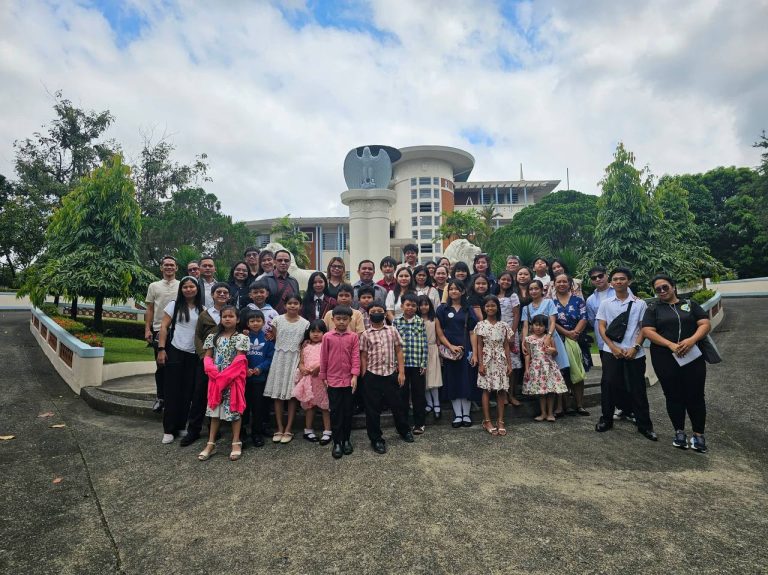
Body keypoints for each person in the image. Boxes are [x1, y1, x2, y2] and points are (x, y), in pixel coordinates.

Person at [641, 274, 711, 452]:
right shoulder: (653, 309)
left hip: (692, 356)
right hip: (665, 358)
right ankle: (679, 432)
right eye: (658, 289)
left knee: (696, 395)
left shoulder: (690, 304)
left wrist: (692, 340)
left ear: (673, 287)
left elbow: (704, 324)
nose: (662, 291)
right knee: (673, 395)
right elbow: (647, 331)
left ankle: (698, 434)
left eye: (665, 287)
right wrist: (670, 344)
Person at [595, 267, 657, 441]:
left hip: (634, 352)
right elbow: (601, 326)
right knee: (608, 385)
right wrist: (612, 347)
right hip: (611, 352)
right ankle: (606, 419)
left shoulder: (639, 303)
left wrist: (635, 347)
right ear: (611, 282)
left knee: (638, 388)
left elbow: (643, 328)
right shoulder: (606, 303)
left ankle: (645, 425)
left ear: (629, 281)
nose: (618, 282)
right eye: (615, 279)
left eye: (622, 279)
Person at [180, 282, 232, 447]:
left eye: (225, 292)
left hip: (226, 363)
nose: (222, 294)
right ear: (212, 295)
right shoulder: (205, 314)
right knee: (200, 394)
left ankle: (214, 430)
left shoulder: (232, 313)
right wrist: (204, 357)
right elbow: (197, 336)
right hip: (206, 361)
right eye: (218, 292)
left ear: (229, 296)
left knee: (222, 394)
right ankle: (193, 430)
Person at [359, 302, 415, 454]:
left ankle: (404, 430)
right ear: (369, 314)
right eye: (373, 311)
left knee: (398, 406)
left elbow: (399, 351)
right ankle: (376, 439)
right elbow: (363, 355)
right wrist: (364, 374)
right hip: (372, 375)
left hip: (390, 374)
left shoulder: (392, 330)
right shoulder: (365, 334)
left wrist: (401, 372)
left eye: (379, 311)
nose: (376, 313)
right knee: (372, 410)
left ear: (384, 313)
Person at [197, 305, 249, 461]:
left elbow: (240, 360)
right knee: (214, 412)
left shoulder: (241, 338)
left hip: (233, 380)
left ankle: (236, 442)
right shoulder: (213, 337)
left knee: (234, 412)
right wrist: (214, 373)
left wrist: (225, 377)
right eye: (224, 316)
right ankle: (210, 443)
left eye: (231, 316)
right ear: (220, 319)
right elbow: (208, 357)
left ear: (237, 319)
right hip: (215, 380)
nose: (227, 319)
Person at [156, 276, 202, 444]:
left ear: (197, 289)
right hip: (175, 350)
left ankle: (181, 425)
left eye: (192, 287)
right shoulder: (174, 305)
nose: (188, 289)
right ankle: (168, 429)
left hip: (193, 354)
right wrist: (161, 349)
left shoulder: (202, 309)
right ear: (181, 289)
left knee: (187, 391)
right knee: (172, 391)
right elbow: (164, 326)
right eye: (185, 287)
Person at [586, 265, 632, 421]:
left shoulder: (621, 289)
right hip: (604, 343)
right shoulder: (591, 300)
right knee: (610, 378)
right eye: (594, 278)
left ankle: (630, 408)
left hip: (626, 342)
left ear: (606, 276)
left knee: (627, 377)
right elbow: (593, 320)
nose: (598, 279)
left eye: (600, 276)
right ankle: (618, 407)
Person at [264, 294, 309, 444]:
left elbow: (303, 344)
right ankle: (279, 427)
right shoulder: (277, 321)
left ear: (300, 306)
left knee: (291, 396)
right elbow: (275, 338)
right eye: (290, 303)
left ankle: (289, 428)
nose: (293, 306)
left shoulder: (305, 323)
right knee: (277, 395)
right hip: (279, 359)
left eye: (296, 303)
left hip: (294, 360)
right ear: (285, 305)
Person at [435, 279, 479, 428]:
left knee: (466, 381)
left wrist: (475, 353)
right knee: (453, 381)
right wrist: (450, 346)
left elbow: (473, 332)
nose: (454, 291)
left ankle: (466, 414)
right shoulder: (442, 309)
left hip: (466, 350)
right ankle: (457, 415)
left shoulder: (468, 309)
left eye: (457, 289)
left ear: (463, 291)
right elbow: (440, 332)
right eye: (451, 289)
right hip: (450, 352)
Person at [320, 306, 360, 459]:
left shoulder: (353, 337)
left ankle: (346, 440)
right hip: (333, 380)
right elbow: (323, 357)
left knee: (348, 411)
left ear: (350, 320)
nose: (342, 322)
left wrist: (355, 375)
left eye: (345, 319)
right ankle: (337, 442)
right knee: (335, 412)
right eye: (338, 319)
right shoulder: (327, 337)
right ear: (333, 320)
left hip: (349, 381)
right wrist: (323, 376)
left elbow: (355, 357)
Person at [144, 255, 179, 412]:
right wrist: (147, 328)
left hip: (179, 330)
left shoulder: (182, 285)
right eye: (166, 265)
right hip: (159, 329)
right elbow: (150, 309)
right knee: (161, 364)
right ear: (161, 268)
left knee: (176, 365)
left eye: (172, 265)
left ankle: (174, 397)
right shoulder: (154, 286)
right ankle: (160, 397)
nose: (169, 267)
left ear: (176, 268)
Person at [475, 295, 513, 435]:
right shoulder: (480, 325)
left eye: (493, 305)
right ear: (484, 308)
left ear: (497, 307)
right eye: (487, 306)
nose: (490, 308)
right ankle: (487, 421)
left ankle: (500, 421)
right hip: (486, 359)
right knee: (486, 389)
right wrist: (480, 364)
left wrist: (509, 364)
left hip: (501, 359)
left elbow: (506, 346)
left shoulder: (504, 325)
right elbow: (479, 345)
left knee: (501, 389)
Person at [552, 273, 589, 416]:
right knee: (562, 373)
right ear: (554, 284)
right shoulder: (551, 302)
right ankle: (564, 406)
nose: (561, 284)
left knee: (577, 372)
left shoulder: (578, 300)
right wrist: (567, 333)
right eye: (558, 282)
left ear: (570, 284)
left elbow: (584, 317)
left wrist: (575, 333)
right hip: (558, 340)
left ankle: (580, 405)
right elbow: (552, 321)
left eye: (564, 281)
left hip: (576, 339)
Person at [521, 280, 570, 385]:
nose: (533, 291)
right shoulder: (526, 308)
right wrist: (523, 342)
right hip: (536, 341)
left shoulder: (548, 302)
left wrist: (548, 336)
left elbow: (552, 321)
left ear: (541, 290)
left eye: (536, 288)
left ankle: (562, 394)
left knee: (557, 369)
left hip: (551, 337)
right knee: (540, 370)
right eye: (531, 289)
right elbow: (525, 327)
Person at [393, 293, 429, 435]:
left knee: (418, 395)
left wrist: (424, 363)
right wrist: (395, 363)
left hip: (417, 364)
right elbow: (393, 344)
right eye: (407, 305)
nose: (410, 308)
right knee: (401, 395)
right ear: (402, 306)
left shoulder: (420, 321)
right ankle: (403, 424)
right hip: (401, 365)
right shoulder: (396, 322)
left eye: (414, 305)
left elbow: (424, 343)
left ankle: (419, 424)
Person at [523, 314, 568, 422]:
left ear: (545, 327)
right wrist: (527, 369)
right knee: (541, 392)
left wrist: (553, 350)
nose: (538, 328)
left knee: (550, 391)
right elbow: (527, 355)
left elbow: (555, 353)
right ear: (532, 325)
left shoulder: (549, 338)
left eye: (541, 325)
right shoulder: (528, 339)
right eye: (536, 325)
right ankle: (543, 413)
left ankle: (550, 413)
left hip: (549, 367)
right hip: (536, 368)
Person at [293, 319, 332, 446]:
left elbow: (328, 360)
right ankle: (308, 430)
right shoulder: (305, 346)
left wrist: (319, 368)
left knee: (325, 406)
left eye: (319, 332)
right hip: (309, 380)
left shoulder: (326, 345)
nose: (316, 334)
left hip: (322, 380)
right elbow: (301, 361)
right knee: (310, 406)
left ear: (324, 333)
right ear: (308, 333)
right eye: (313, 331)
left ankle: (327, 431)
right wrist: (302, 368)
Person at [242, 310, 274, 448]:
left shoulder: (267, 339)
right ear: (247, 323)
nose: (255, 323)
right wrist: (245, 369)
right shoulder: (243, 338)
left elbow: (270, 358)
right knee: (244, 407)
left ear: (263, 322)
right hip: (243, 379)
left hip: (259, 379)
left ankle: (257, 433)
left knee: (258, 407)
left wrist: (260, 368)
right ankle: (242, 433)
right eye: (252, 321)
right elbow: (238, 356)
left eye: (258, 320)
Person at [494, 271, 522, 406]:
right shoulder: (493, 295)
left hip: (510, 333)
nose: (505, 282)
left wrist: (512, 334)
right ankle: (502, 395)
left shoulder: (513, 296)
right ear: (498, 280)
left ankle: (511, 395)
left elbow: (516, 315)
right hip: (496, 334)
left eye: (508, 280)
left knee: (512, 365)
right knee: (499, 364)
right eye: (503, 279)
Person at [418, 295, 443, 420]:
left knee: (434, 379)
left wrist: (440, 348)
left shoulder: (434, 319)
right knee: (424, 380)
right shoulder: (416, 320)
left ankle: (437, 404)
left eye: (426, 304)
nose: (424, 307)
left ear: (430, 306)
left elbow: (439, 335)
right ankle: (429, 404)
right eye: (421, 304)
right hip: (420, 352)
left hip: (432, 350)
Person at [262, 249, 300, 314]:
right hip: (272, 319)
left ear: (290, 262)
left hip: (291, 318)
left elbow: (297, 301)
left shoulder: (293, 282)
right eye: (280, 260)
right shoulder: (265, 280)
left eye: (286, 260)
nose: (283, 263)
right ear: (274, 262)